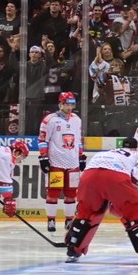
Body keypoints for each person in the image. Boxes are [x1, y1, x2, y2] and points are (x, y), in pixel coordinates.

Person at [65, 137, 138, 263]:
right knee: (136, 212)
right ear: (136, 148)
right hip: (116, 176)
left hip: (88, 177)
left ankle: (73, 250)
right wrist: (121, 200)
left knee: (86, 213)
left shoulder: (106, 152)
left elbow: (93, 171)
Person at [38, 91, 85, 232]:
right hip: (56, 162)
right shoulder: (50, 119)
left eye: (72, 104)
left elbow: (78, 140)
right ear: (61, 104)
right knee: (53, 192)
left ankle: (69, 220)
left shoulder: (77, 119)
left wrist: (81, 156)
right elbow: (42, 140)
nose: (70, 107)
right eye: (67, 104)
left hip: (73, 163)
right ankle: (51, 220)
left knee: (71, 193)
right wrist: (44, 157)